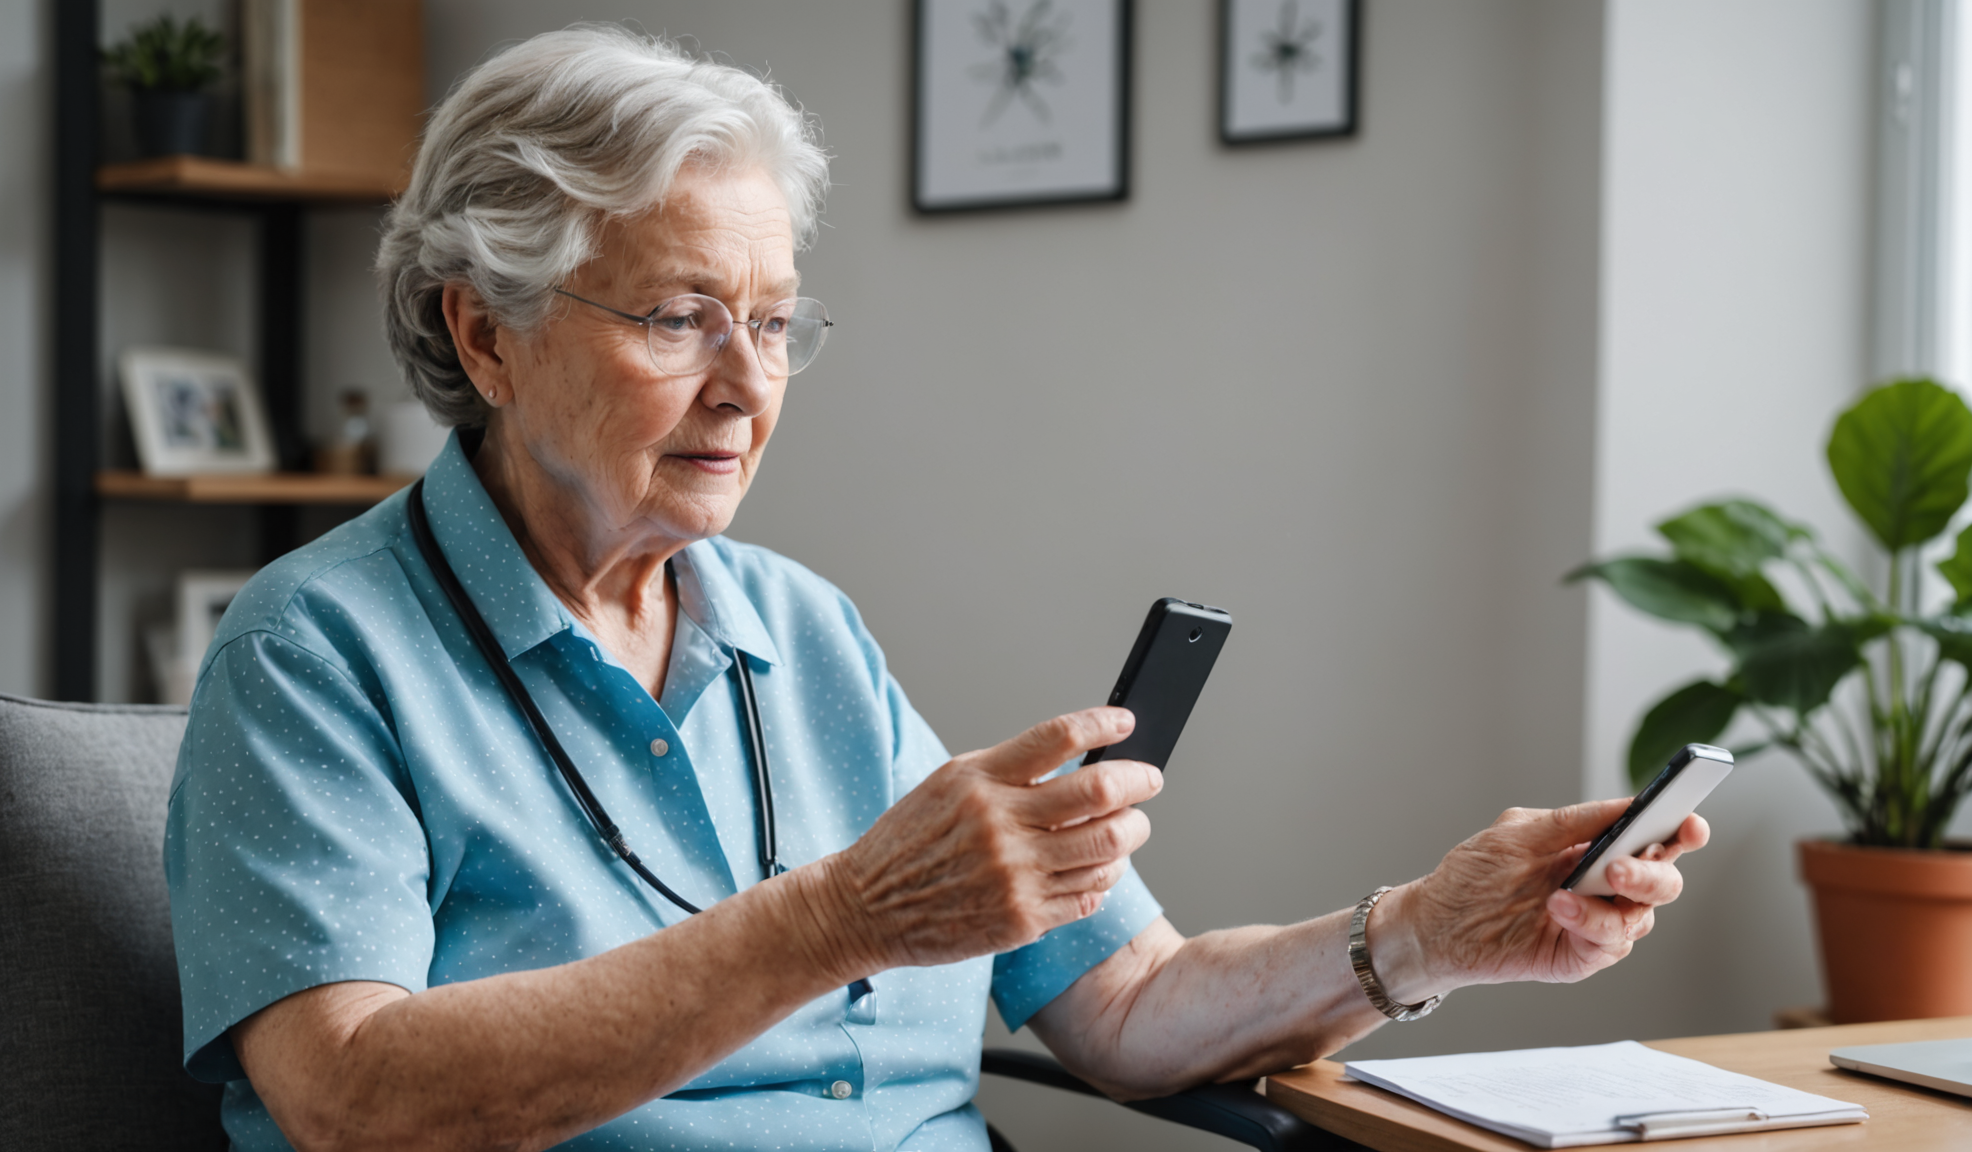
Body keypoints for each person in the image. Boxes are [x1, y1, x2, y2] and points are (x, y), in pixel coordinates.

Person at [164, 26, 1708, 1152]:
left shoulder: (798, 627)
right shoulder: (317, 650)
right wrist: (839, 917)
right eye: (683, 316)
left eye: (774, 323)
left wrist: (1431, 931)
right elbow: (348, 1096)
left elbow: (1124, 1006)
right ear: (488, 334)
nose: (745, 386)